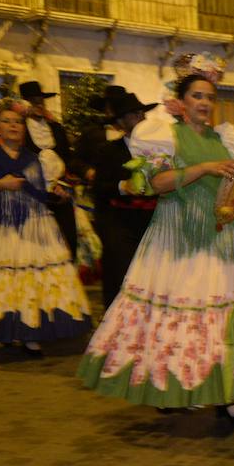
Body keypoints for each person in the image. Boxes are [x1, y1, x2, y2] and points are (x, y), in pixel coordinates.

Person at [78, 53, 234, 426]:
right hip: (177, 236)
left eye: (209, 97)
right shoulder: (164, 136)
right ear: (181, 102)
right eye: (197, 96)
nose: (204, 103)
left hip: (219, 238)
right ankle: (170, 386)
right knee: (177, 313)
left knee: (221, 315)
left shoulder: (226, 140)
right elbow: (156, 184)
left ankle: (226, 395)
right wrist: (204, 168)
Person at [0, 98, 92, 351]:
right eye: (6, 122)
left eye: (18, 122)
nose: (13, 126)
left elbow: (44, 191)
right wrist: (0, 185)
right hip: (2, 224)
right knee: (5, 277)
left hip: (36, 226)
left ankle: (30, 331)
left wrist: (57, 192)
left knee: (33, 277)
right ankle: (5, 328)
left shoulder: (38, 159)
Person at [87, 87, 158, 312]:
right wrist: (124, 187)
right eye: (135, 115)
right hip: (119, 224)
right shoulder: (108, 150)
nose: (141, 118)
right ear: (121, 121)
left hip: (152, 222)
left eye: (142, 114)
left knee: (152, 278)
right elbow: (99, 187)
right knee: (120, 276)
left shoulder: (157, 150)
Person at [18, 81, 78, 261]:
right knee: (37, 245)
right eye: (33, 101)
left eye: (40, 101)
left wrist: (64, 184)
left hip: (60, 191)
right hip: (32, 195)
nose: (38, 104)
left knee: (67, 237)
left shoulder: (56, 128)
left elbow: (67, 159)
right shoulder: (19, 129)